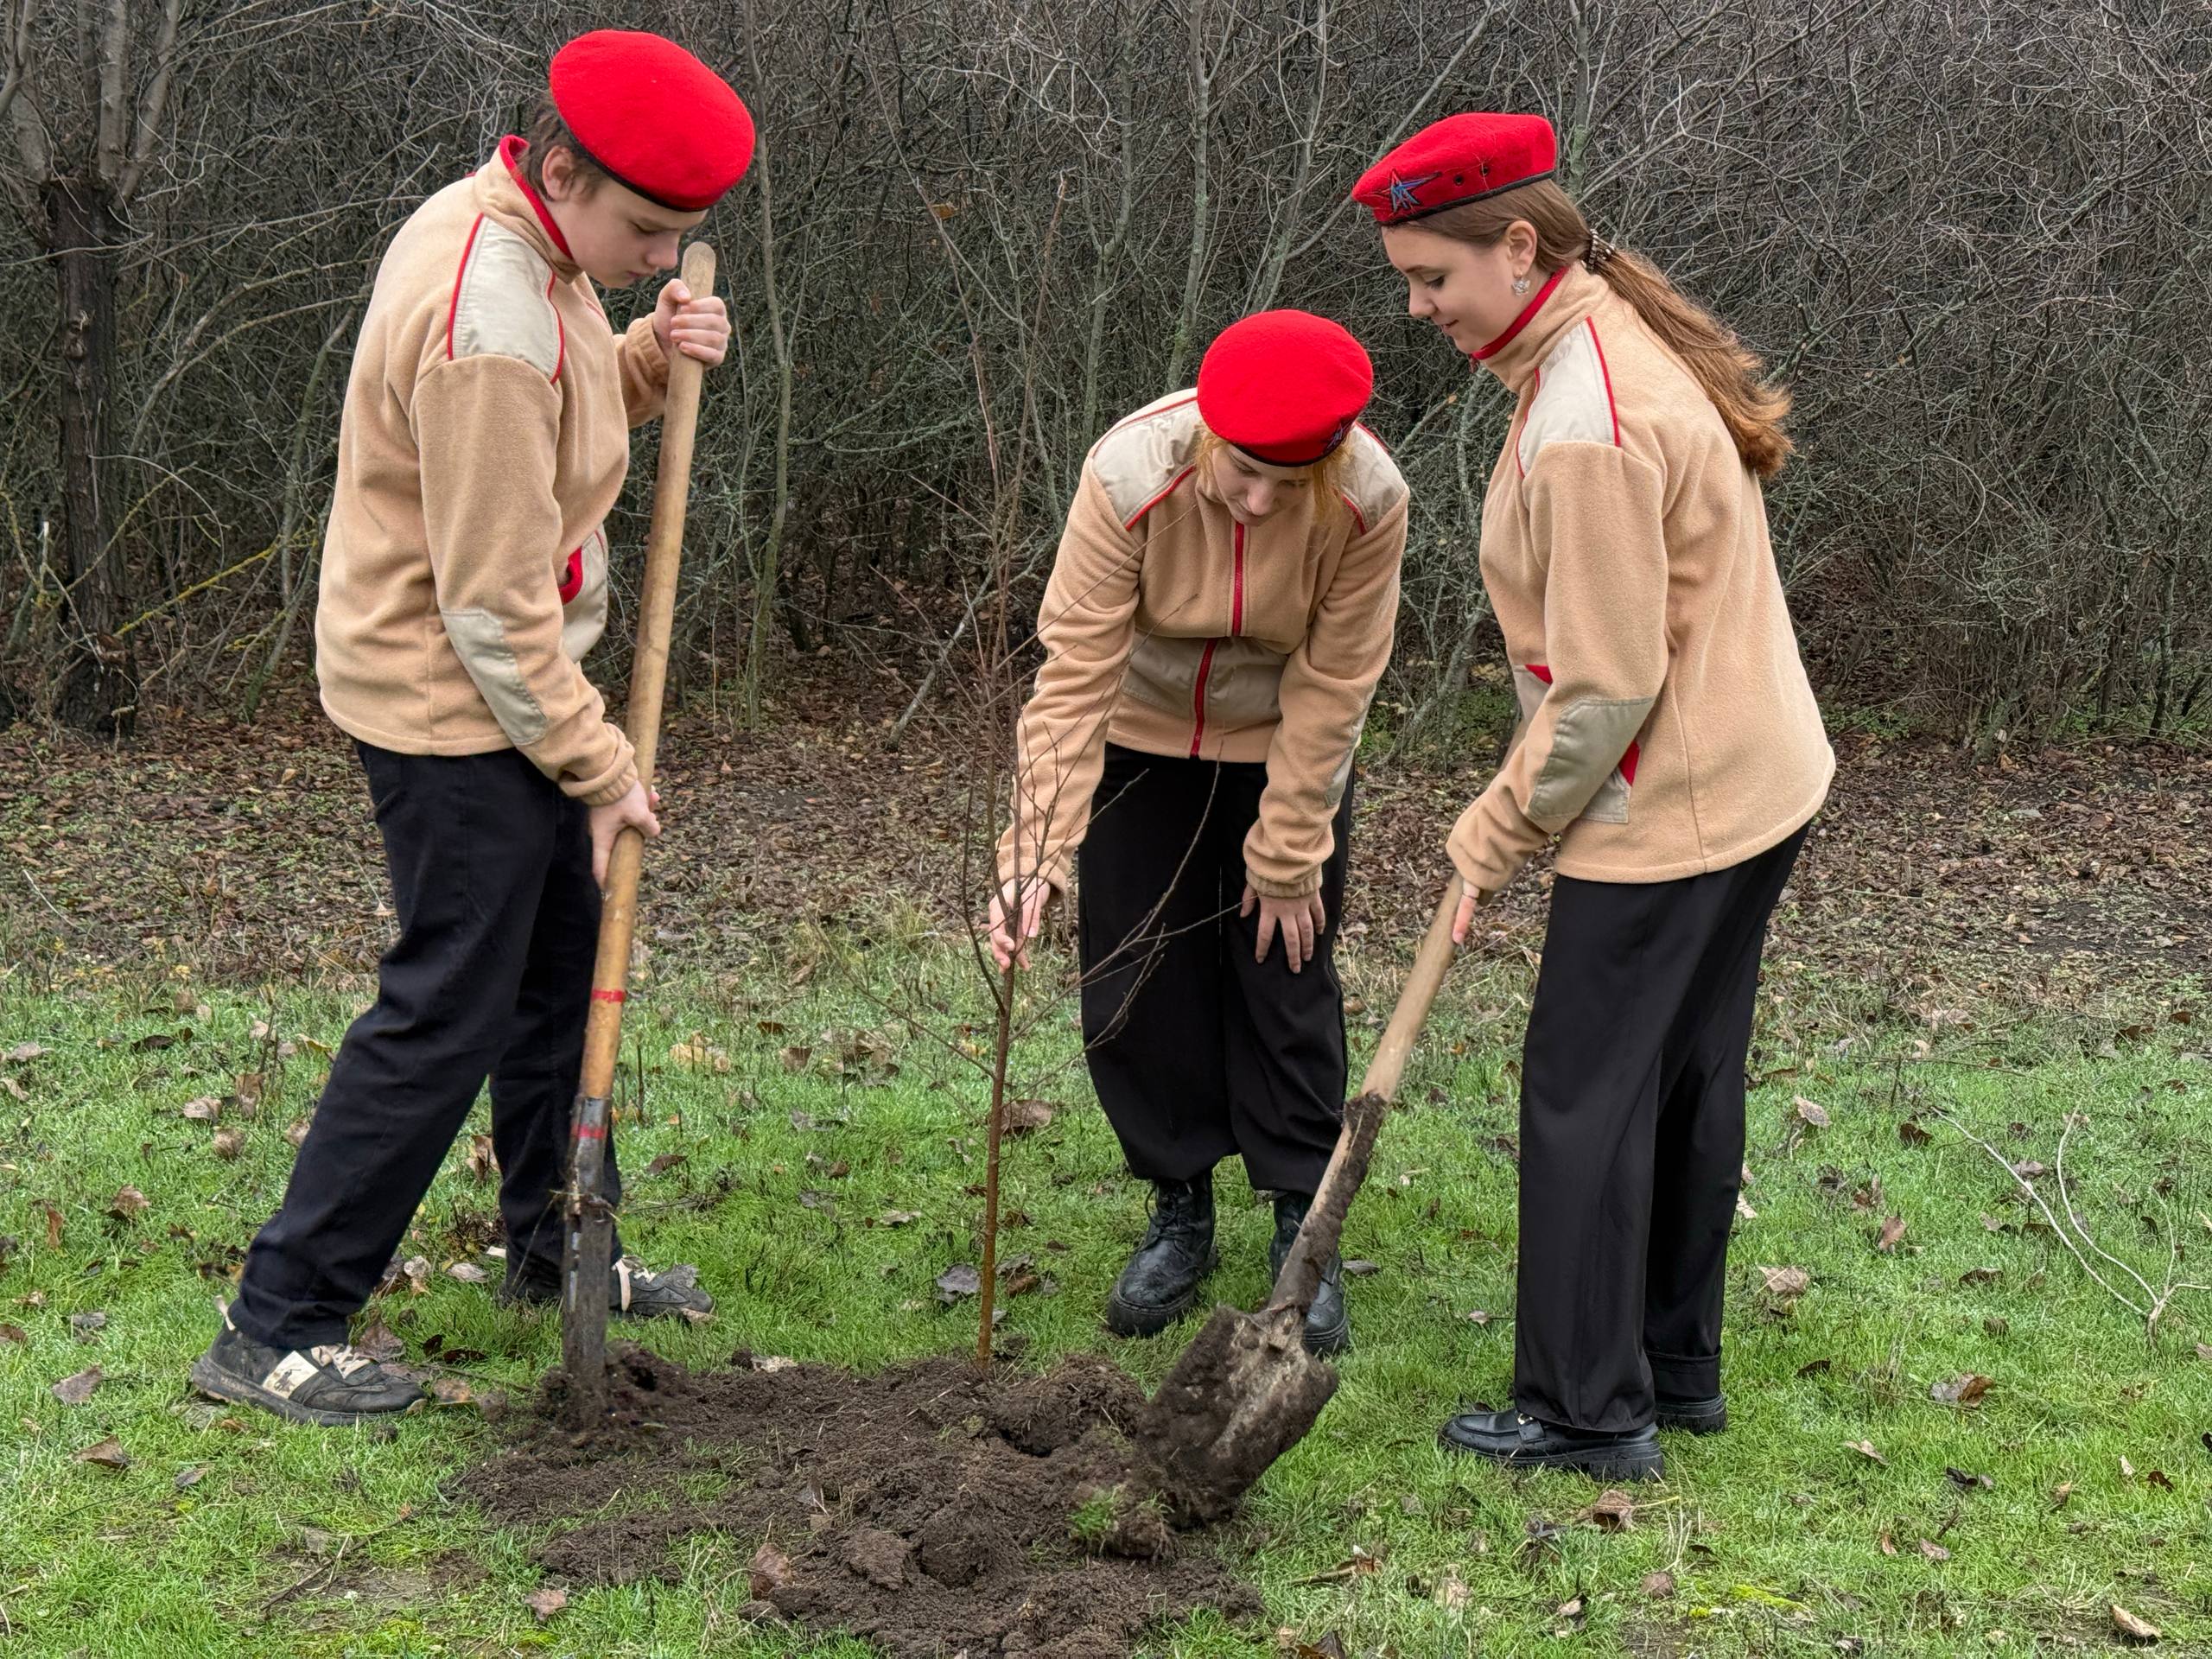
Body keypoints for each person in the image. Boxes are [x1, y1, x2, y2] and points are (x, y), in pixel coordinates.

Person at [191, 30, 753, 1426]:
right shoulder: (487, 307)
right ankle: (278, 1322)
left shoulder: (541, 252)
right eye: (645, 232)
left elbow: (550, 436)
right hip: (452, 701)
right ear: (563, 169)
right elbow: (496, 603)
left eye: (682, 240)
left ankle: (553, 1246)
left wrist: (643, 355)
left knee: (556, 968)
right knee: (454, 1001)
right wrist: (604, 766)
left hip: (505, 689)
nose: (659, 255)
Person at [1352, 112, 1833, 1478]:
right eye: (1406, 277)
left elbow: (1607, 685)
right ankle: (1671, 1369)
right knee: (1681, 1078)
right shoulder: (1603, 331)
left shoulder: (1584, 420)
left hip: (1669, 799)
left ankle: (1585, 1409)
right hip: (1756, 776)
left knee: (1583, 1096)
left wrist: (1498, 826)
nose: (1419, 304)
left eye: (1432, 275)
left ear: (1519, 245)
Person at [987, 310, 1408, 1354]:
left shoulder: (1371, 498)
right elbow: (1075, 671)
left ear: (1332, 462)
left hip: (1283, 746)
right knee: (1138, 979)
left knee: (1283, 965)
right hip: (1139, 738)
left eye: (1288, 480)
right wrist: (1035, 850)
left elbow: (1336, 681)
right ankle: (1180, 1206)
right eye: (1243, 470)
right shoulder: (1129, 473)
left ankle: (1297, 1226)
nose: (1259, 500)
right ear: (1208, 434)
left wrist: (1288, 847)